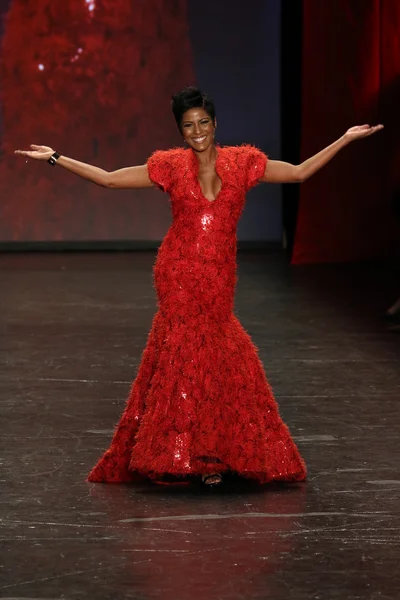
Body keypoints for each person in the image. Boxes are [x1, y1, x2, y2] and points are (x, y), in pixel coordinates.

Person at [15, 87, 383, 487]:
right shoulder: (170, 166)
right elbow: (109, 181)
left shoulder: (243, 162)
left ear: (215, 124)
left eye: (203, 123)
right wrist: (55, 157)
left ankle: (216, 451)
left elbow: (297, 172)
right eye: (188, 125)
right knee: (186, 359)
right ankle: (195, 459)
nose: (197, 131)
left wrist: (344, 139)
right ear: (181, 131)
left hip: (219, 276)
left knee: (219, 357)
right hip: (177, 274)